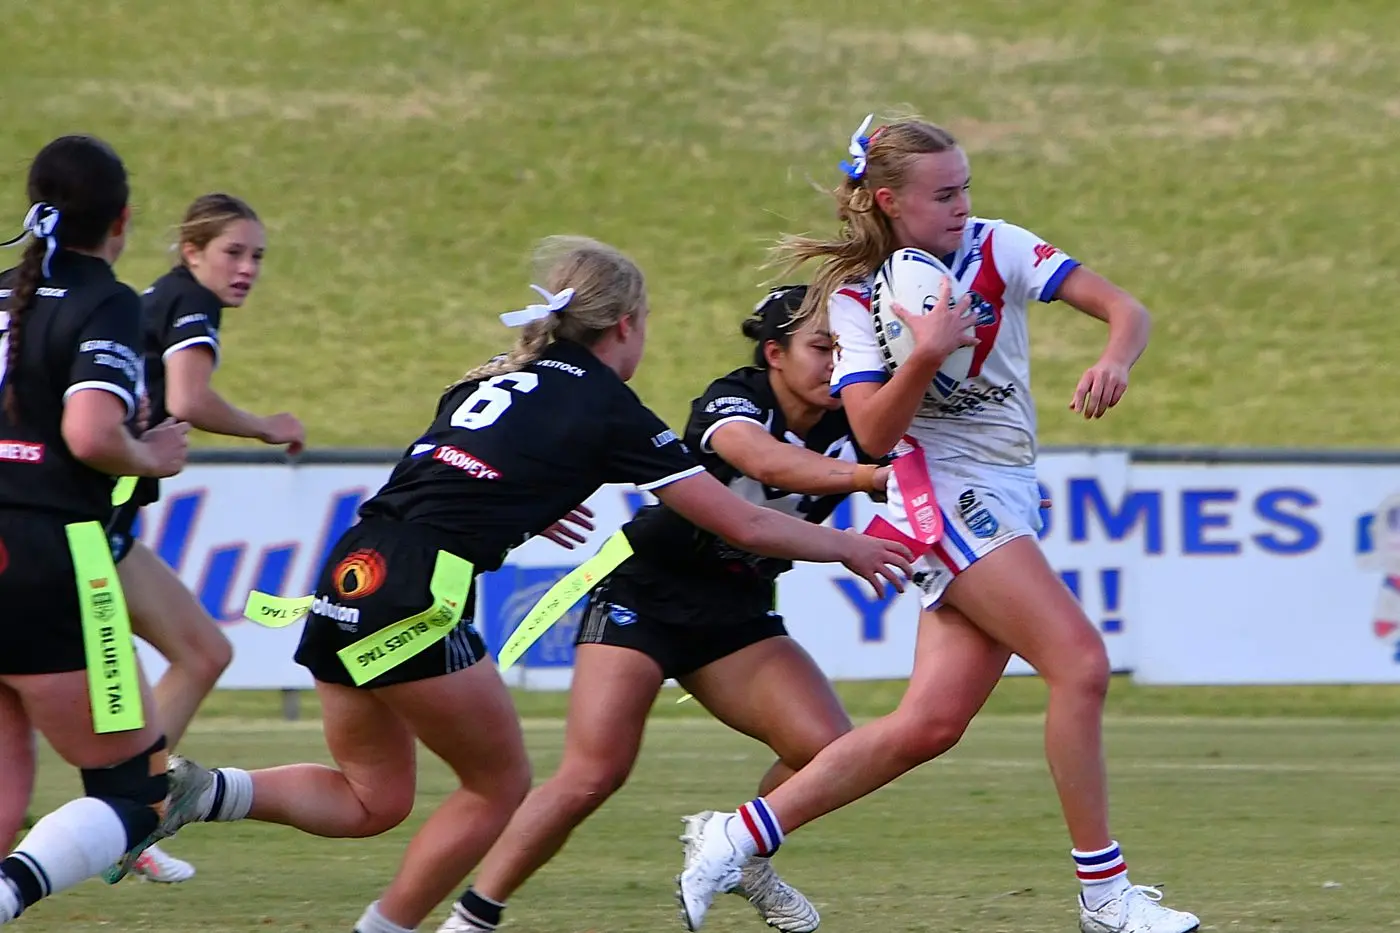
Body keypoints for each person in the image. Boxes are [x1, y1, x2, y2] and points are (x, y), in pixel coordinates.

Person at [139, 237, 913, 933]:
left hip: (353, 570)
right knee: (504, 780)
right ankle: (445, 923)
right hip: (440, 592)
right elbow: (746, 514)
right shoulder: (634, 404)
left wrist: (520, 507)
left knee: (374, 799)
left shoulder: (498, 373)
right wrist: (851, 540)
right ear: (625, 326)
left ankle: (201, 792)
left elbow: (454, 461)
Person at [676, 115, 1200, 933]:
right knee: (1082, 663)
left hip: (1005, 486)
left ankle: (736, 833)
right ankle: (1106, 896)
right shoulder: (853, 301)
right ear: (889, 200)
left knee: (929, 724)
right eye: (944, 193)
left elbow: (1125, 309)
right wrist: (926, 348)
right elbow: (874, 436)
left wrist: (1115, 357)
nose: (963, 205)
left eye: (966, 188)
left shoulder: (1000, 246)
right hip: (940, 492)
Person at [434, 284, 885, 933]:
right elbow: (763, 460)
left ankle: (741, 849)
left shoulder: (855, 420)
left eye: (847, 350)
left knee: (828, 749)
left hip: (737, 609)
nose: (837, 363)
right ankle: (472, 919)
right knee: (593, 773)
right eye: (821, 347)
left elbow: (917, 475)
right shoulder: (735, 397)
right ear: (774, 353)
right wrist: (870, 483)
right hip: (646, 590)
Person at [0, 134, 191, 925]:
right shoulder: (107, 297)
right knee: (136, 794)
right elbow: (88, 432)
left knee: (6, 787)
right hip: (49, 553)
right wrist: (151, 452)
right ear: (123, 219)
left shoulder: (7, 289)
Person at [101, 193, 306, 885]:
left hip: (100, 518)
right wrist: (265, 424)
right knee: (87, 688)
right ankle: (121, 817)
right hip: (89, 523)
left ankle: (127, 815)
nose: (247, 268)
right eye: (233, 252)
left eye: (257, 257)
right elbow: (188, 398)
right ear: (191, 251)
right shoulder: (192, 301)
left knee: (202, 650)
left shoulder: (157, 295)